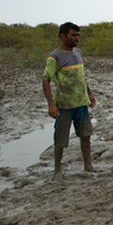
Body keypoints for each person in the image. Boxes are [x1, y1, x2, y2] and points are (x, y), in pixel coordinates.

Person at [42, 22, 96, 182]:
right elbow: (46, 81)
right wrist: (51, 104)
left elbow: (81, 77)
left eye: (78, 35)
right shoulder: (54, 57)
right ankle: (57, 171)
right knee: (60, 139)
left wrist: (90, 94)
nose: (76, 38)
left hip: (81, 103)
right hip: (64, 105)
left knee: (86, 135)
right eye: (73, 35)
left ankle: (88, 166)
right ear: (62, 36)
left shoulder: (78, 53)